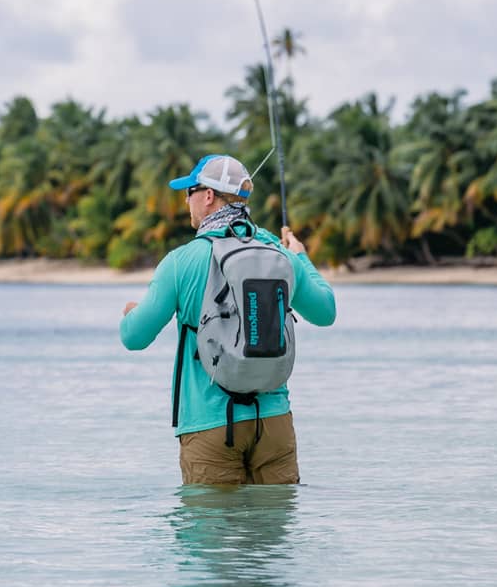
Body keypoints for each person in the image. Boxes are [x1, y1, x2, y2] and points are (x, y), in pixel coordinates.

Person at [119, 154, 336, 485]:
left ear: (208, 196)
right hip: (273, 421)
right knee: (273, 520)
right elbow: (325, 312)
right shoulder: (280, 255)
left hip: (209, 425)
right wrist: (301, 257)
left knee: (210, 520)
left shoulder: (181, 261)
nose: (187, 201)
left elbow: (134, 338)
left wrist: (130, 313)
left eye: (189, 192)